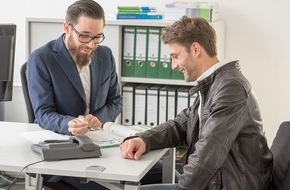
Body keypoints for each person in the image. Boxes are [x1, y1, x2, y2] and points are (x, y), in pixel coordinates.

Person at [120, 16, 273, 190]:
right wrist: (144, 139)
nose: (173, 65)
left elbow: (206, 156)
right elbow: (180, 125)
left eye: (175, 56)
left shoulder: (230, 87)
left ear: (195, 49)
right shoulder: (214, 83)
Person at [27, 0, 121, 189]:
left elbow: (115, 101)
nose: (91, 45)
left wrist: (98, 119)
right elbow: (43, 113)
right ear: (67, 27)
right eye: (85, 36)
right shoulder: (42, 59)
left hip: (103, 145)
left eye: (97, 37)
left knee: (167, 174)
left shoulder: (105, 55)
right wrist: (69, 124)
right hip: (64, 154)